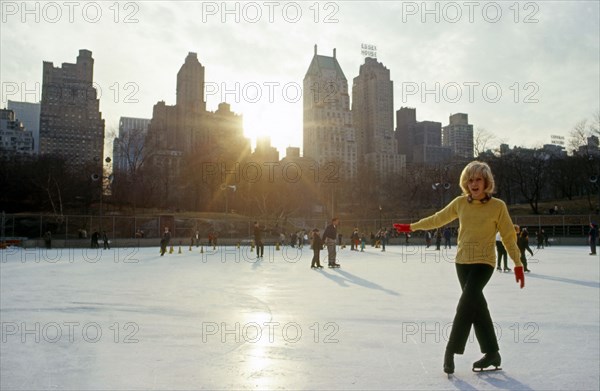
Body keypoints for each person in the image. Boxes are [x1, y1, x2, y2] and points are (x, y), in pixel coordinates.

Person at [394, 161, 524, 375]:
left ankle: (450, 351)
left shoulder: (498, 206)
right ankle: (492, 353)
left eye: (478, 180)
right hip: (462, 262)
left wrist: (517, 264)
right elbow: (438, 219)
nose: (474, 184)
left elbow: (509, 237)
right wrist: (412, 226)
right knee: (478, 308)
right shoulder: (460, 203)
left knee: (465, 305)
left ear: (486, 182)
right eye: (470, 180)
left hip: (484, 263)